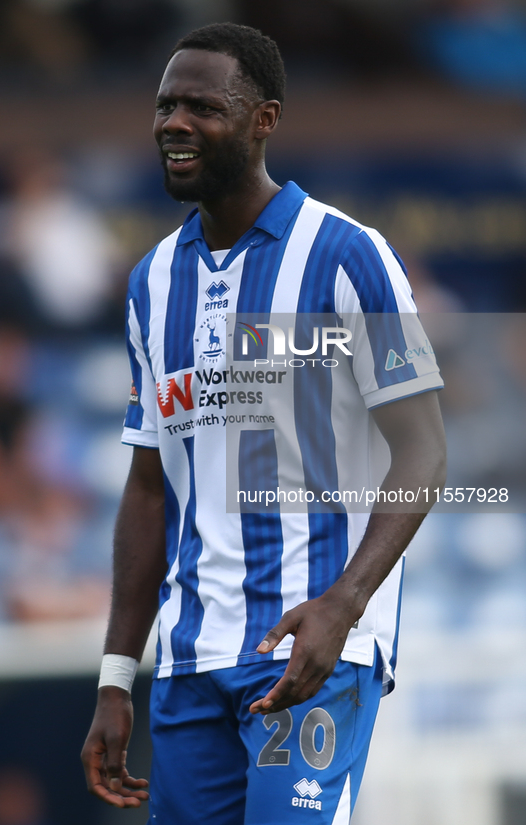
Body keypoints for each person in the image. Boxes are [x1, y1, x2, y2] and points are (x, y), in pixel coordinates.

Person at [81, 22, 447, 825]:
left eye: (201, 107)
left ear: (263, 121)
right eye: (164, 104)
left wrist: (343, 604)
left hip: (310, 650)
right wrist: (116, 675)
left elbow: (423, 448)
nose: (173, 122)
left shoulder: (349, 256)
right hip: (190, 662)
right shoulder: (152, 282)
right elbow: (148, 490)